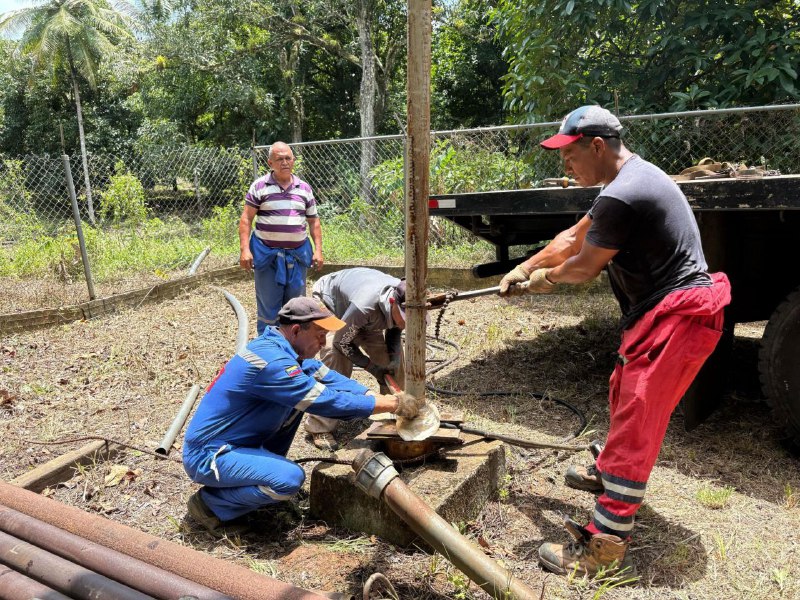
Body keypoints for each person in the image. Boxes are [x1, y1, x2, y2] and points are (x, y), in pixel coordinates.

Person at [499, 105, 731, 576]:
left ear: (598, 146)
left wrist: (543, 280)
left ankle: (604, 547)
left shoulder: (624, 194)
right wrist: (524, 267)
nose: (566, 165)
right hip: (659, 313)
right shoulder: (625, 182)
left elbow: (584, 266)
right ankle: (607, 472)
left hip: (679, 317)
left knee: (635, 425)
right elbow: (572, 239)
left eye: (570, 155)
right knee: (622, 393)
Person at [182, 297, 422, 536]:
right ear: (296, 330)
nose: (324, 342)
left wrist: (370, 394)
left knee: (296, 404)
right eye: (320, 334)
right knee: (289, 480)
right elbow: (326, 401)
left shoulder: (287, 350)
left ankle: (257, 478)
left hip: (237, 442)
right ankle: (210, 505)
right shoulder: (274, 363)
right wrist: (392, 404)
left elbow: (328, 378)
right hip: (210, 454)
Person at [304, 268, 408, 451]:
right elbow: (341, 343)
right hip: (332, 305)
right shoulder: (365, 305)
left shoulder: (403, 294)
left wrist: (393, 359)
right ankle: (320, 426)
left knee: (391, 360)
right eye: (405, 316)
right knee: (335, 358)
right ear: (392, 303)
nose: (407, 322)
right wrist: (371, 367)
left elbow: (395, 329)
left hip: (364, 316)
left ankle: (397, 410)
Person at [238, 141, 324, 335]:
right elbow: (246, 219)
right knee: (269, 307)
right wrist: (245, 249)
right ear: (270, 163)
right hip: (267, 257)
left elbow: (314, 221)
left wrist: (318, 250)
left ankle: (294, 346)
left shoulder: (304, 188)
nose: (285, 162)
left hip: (297, 256)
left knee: (296, 307)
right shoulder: (259, 186)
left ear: (293, 160)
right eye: (279, 159)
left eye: (288, 158)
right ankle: (269, 345)